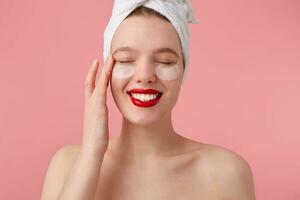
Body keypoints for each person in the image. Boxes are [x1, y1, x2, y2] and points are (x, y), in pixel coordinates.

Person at [41, 1, 256, 200]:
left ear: (184, 70)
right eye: (126, 60)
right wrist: (91, 154)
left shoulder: (226, 173)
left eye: (165, 61)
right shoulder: (67, 165)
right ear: (108, 71)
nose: (144, 75)